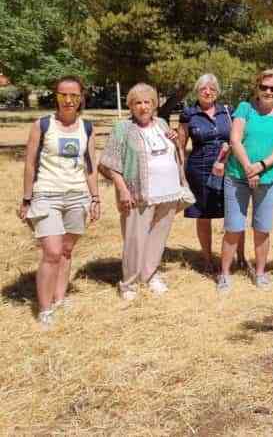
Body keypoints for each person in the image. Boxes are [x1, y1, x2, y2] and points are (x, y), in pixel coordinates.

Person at [19, 76, 100, 326]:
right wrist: (26, 199)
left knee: (66, 250)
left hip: (77, 196)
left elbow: (90, 167)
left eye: (74, 95)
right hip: (46, 194)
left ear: (81, 97)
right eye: (63, 95)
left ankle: (59, 298)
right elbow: (30, 164)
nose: (68, 100)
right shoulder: (42, 125)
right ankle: (45, 309)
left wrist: (95, 197)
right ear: (56, 97)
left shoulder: (87, 127)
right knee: (52, 252)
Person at [100, 83, 192, 301]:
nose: (143, 107)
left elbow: (175, 153)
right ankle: (128, 283)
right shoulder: (123, 129)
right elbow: (109, 163)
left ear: (154, 104)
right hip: (138, 194)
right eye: (138, 103)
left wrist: (176, 143)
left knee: (158, 236)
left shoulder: (161, 124)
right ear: (131, 106)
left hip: (168, 191)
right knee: (135, 239)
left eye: (147, 102)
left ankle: (149, 275)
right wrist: (123, 190)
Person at [217, 70, 273, 293]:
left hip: (268, 179)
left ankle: (260, 273)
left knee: (262, 229)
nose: (268, 91)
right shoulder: (245, 108)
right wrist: (249, 169)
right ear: (257, 87)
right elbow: (235, 139)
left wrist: (260, 166)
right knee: (233, 227)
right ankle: (224, 274)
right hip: (237, 176)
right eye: (264, 87)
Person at [177, 73, 243, 274]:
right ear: (197, 91)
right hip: (199, 170)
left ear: (217, 92)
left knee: (235, 215)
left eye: (212, 89)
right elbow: (180, 147)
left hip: (228, 169)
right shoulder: (188, 114)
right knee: (204, 215)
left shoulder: (228, 111)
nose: (208, 92)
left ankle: (240, 258)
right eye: (203, 88)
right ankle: (207, 260)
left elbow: (237, 139)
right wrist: (181, 175)